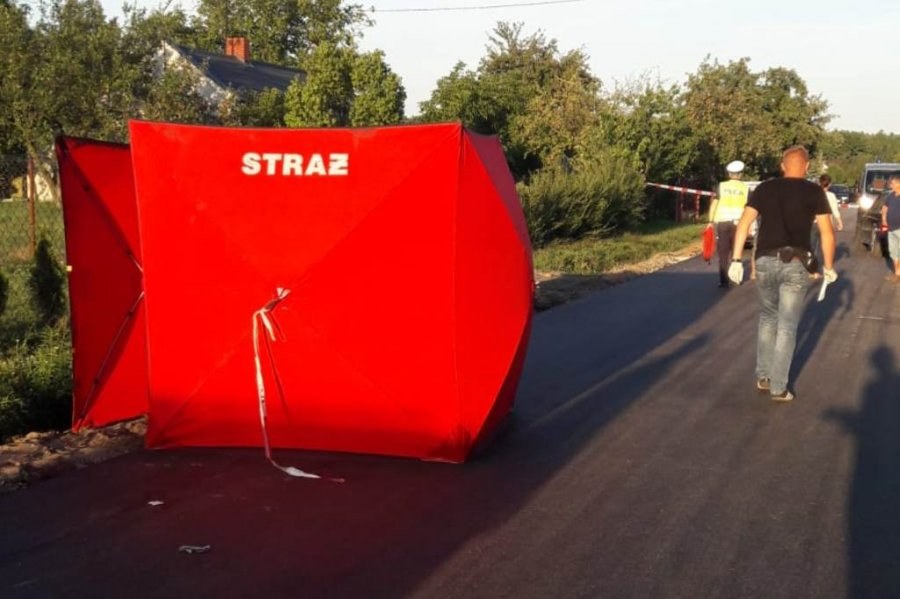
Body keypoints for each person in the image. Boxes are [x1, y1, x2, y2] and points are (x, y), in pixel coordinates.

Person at [729, 146, 837, 402]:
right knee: (787, 326)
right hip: (796, 263)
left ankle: (764, 376)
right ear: (807, 167)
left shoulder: (765, 188)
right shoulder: (815, 192)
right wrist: (829, 266)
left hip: (765, 260)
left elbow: (744, 223)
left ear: (782, 165)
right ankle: (779, 387)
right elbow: (827, 233)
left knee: (768, 317)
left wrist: (736, 259)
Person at [707, 160, 750, 287]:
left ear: (729, 174)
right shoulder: (746, 189)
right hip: (739, 224)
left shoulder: (721, 186)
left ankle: (723, 280)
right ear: (741, 174)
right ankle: (736, 278)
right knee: (736, 251)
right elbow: (749, 209)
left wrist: (710, 221)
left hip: (723, 223)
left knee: (723, 252)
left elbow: (714, 204)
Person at [811, 174, 844, 261]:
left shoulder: (812, 194)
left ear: (819, 182)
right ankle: (824, 267)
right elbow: (835, 210)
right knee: (825, 248)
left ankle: (812, 270)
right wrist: (840, 223)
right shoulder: (831, 196)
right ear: (829, 184)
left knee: (812, 247)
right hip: (827, 224)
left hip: (813, 223)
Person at [880, 174, 900, 282]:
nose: (890, 185)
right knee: (893, 251)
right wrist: (884, 220)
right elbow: (884, 207)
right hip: (891, 228)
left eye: (892, 183)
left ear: (898, 184)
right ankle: (897, 273)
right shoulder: (891, 196)